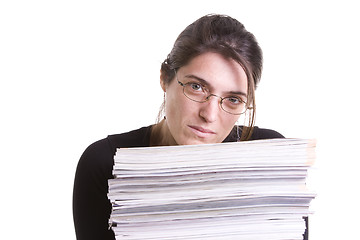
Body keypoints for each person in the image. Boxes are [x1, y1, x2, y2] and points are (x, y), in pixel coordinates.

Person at [73, 14, 307, 240]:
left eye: (233, 99)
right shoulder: (105, 163)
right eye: (197, 87)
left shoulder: (269, 159)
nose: (210, 114)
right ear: (165, 78)